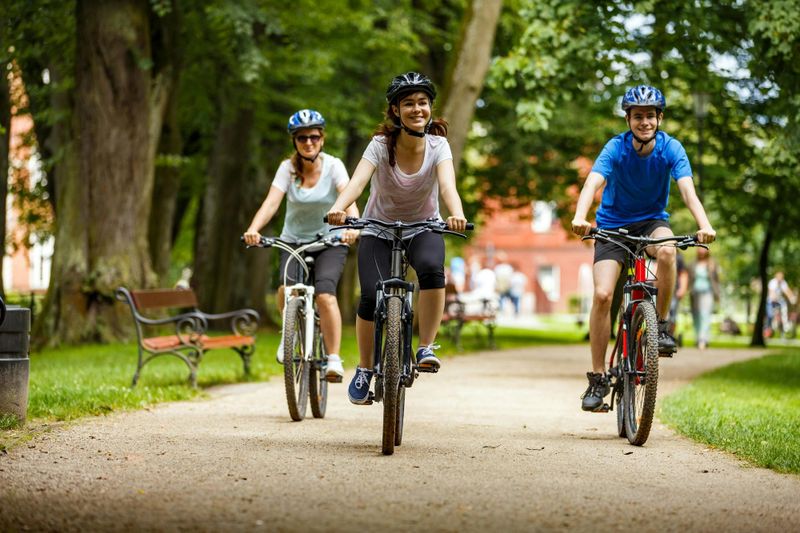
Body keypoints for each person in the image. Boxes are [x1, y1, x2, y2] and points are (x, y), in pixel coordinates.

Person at [571, 85, 716, 412]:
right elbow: (592, 182)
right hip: (612, 227)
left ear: (659, 118)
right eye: (638, 116)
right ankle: (597, 377)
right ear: (628, 119)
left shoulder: (671, 149)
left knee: (667, 251)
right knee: (603, 295)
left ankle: (661, 326)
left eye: (651, 115)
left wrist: (704, 225)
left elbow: (688, 193)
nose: (645, 121)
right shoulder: (615, 148)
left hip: (652, 222)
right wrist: (580, 217)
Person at [325, 72, 468, 405]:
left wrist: (456, 213)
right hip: (378, 227)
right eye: (408, 104)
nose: (417, 109)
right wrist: (338, 208)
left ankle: (426, 346)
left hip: (423, 227)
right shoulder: (380, 145)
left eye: (422, 103)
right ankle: (364, 367)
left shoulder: (438, 145)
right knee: (369, 296)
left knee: (433, 270)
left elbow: (447, 187)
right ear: (395, 110)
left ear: (430, 107)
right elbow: (357, 183)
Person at [243, 109, 359, 382]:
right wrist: (253, 229)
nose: (309, 142)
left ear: (322, 138)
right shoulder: (287, 169)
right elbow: (272, 203)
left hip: (330, 240)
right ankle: (289, 335)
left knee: (325, 295)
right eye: (302, 137)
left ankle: (332, 358)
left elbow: (350, 198)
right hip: (293, 241)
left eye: (314, 137)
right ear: (294, 141)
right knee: (286, 290)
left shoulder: (334, 166)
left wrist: (353, 227)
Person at [688, 247, 720, 350]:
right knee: (696, 315)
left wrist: (718, 295)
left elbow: (716, 280)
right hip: (695, 292)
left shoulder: (712, 263)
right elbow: (689, 278)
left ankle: (703, 339)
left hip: (708, 292)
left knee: (705, 314)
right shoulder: (693, 264)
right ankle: (698, 338)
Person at [668, 251, 690, 342]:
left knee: (672, 315)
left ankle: (670, 335)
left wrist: (682, 289)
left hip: (674, 291)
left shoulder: (678, 257)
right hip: (656, 290)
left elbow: (683, 274)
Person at [767, 271, 796, 337]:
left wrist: (792, 297)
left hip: (779, 299)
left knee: (784, 308)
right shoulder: (772, 282)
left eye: (782, 278)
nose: (781, 279)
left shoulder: (783, 282)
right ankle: (772, 326)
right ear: (776, 277)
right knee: (771, 315)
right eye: (780, 277)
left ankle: (785, 324)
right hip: (772, 300)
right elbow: (771, 292)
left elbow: (787, 291)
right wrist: (774, 298)